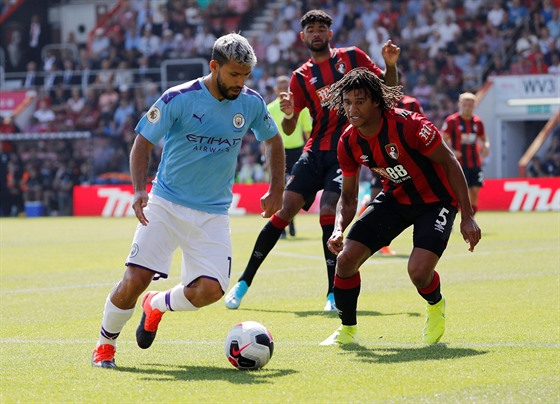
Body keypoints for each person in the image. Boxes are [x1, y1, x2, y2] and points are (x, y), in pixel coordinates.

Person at [91, 33, 285, 369]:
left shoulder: (251, 103)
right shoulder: (178, 98)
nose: (240, 82)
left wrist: (277, 188)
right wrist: (139, 190)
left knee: (210, 291)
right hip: (165, 205)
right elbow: (142, 143)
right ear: (214, 66)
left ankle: (157, 305)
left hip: (212, 214)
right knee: (134, 280)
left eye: (245, 76)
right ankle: (105, 345)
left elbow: (273, 140)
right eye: (233, 75)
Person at [225, 9, 400, 312]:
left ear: (330, 34)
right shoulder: (300, 77)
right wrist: (291, 113)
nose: (316, 33)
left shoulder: (352, 58)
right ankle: (243, 283)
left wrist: (390, 64)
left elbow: (388, 90)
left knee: (328, 212)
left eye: (321, 28)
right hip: (313, 152)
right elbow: (291, 128)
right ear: (302, 37)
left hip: (344, 152)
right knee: (283, 211)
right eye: (311, 30)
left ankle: (332, 293)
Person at [318, 68, 481, 345]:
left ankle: (435, 305)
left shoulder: (410, 125)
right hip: (396, 198)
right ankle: (347, 331)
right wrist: (338, 230)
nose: (352, 109)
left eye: (359, 101)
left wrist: (467, 216)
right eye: (347, 102)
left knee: (418, 272)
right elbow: (348, 196)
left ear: (376, 102)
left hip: (437, 201)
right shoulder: (348, 141)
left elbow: (451, 163)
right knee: (345, 260)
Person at [358, 93, 425, 256]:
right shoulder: (375, 104)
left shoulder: (411, 103)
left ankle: (423, 244)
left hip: (408, 164)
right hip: (382, 161)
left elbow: (423, 127)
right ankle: (372, 240)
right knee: (375, 200)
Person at [267, 75, 312, 238]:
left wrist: (310, 153)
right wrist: (267, 157)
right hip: (279, 152)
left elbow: (308, 132)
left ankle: (289, 221)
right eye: (280, 86)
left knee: (293, 190)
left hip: (298, 151)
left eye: (286, 85)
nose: (283, 88)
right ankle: (282, 227)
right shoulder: (270, 109)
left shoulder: (300, 108)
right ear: (275, 89)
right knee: (279, 188)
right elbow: (266, 136)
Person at [441, 92, 490, 215]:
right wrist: (452, 151)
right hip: (459, 164)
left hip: (475, 163)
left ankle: (470, 218)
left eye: (470, 105)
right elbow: (443, 139)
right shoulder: (452, 121)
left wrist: (486, 146)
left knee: (475, 190)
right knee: (461, 192)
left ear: (474, 105)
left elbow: (484, 139)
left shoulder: (478, 122)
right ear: (460, 105)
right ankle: (453, 217)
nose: (467, 107)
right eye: (465, 104)